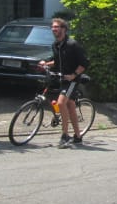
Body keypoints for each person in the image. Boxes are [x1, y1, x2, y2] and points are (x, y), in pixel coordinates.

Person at [38, 18, 89, 147]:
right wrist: (45, 64)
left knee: (61, 103)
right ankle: (77, 136)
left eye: (56, 27)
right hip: (62, 79)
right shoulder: (55, 45)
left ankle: (65, 135)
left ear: (64, 29)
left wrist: (73, 75)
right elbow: (56, 62)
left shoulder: (72, 44)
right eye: (53, 27)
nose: (53, 29)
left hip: (72, 80)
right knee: (70, 105)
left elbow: (84, 63)